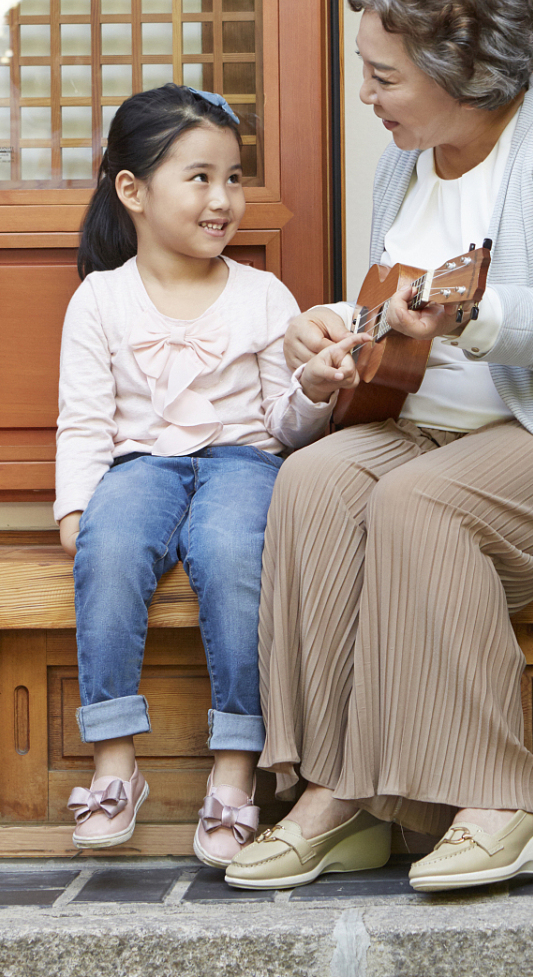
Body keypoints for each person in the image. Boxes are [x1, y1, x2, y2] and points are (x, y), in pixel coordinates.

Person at [222, 0, 533, 894]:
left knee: (418, 503)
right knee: (315, 480)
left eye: (383, 75)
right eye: (364, 69)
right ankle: (339, 794)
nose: (365, 94)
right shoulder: (405, 157)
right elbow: (393, 295)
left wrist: (461, 316)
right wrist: (334, 326)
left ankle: (505, 797)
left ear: (459, 63)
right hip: (429, 421)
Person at [54, 83, 333, 866]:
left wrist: (312, 391)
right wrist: (76, 506)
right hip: (140, 465)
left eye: (234, 178)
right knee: (108, 550)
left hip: (244, 461)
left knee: (230, 553)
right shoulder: (101, 299)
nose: (223, 199)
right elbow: (83, 416)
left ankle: (236, 768)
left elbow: (286, 427)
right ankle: (113, 761)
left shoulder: (262, 295)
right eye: (200, 177)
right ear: (133, 191)